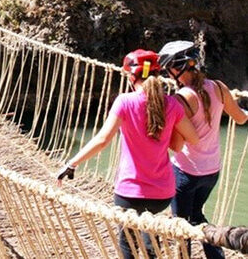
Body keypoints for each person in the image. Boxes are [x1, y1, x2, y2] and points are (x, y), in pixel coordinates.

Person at [57, 49, 199, 259]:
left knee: (128, 242)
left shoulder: (125, 102)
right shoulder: (172, 104)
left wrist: (71, 164)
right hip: (163, 194)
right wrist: (168, 133)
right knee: (150, 228)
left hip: (130, 193)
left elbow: (102, 140)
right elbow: (192, 139)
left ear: (132, 76)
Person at [158, 40, 248, 259]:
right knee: (196, 215)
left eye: (168, 69)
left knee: (180, 226)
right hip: (212, 172)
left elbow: (177, 145)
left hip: (185, 174)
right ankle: (216, 256)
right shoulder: (218, 87)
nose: (168, 75)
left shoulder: (181, 99)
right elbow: (241, 117)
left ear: (176, 68)